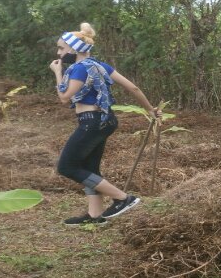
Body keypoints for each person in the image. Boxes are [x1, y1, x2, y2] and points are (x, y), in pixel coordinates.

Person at [50, 23, 161, 226]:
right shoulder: (100, 65)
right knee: (89, 167)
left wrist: (57, 72)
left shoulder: (78, 69)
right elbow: (133, 88)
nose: (58, 52)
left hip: (91, 122)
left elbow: (64, 97)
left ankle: (123, 198)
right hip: (106, 120)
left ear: (73, 49)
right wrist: (150, 109)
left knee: (67, 167)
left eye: (61, 48)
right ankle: (95, 216)